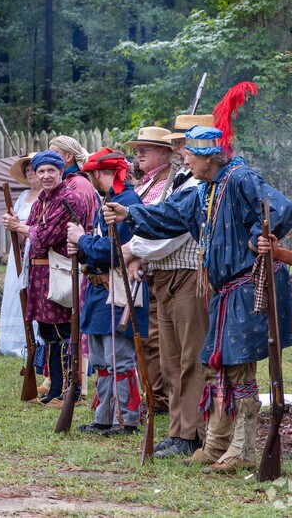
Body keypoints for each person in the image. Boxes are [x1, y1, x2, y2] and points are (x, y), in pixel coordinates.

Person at [103, 89, 292, 473]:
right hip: (225, 291)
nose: (185, 161)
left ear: (208, 158)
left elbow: (284, 209)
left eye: (189, 155)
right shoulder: (204, 190)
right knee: (222, 366)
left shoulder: (241, 178)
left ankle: (241, 451)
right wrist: (128, 212)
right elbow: (165, 217)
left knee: (239, 369)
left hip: (248, 287)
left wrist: (265, 234)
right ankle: (216, 445)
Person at [129, 114, 214, 459]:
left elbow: (172, 233)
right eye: (177, 142)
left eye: (182, 143)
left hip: (188, 275)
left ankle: (190, 433)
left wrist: (132, 248)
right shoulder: (180, 180)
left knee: (190, 359)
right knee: (170, 361)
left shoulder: (197, 186)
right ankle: (178, 429)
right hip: (164, 277)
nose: (178, 148)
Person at [67, 149, 149, 436]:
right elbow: (99, 250)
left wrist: (83, 240)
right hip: (100, 290)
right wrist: (80, 250)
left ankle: (128, 420)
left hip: (118, 289)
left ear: (106, 174)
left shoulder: (127, 203)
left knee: (121, 360)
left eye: (94, 175)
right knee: (103, 361)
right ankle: (104, 418)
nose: (91, 181)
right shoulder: (111, 201)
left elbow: (118, 251)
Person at [3, 151, 84, 405]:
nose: (46, 176)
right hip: (38, 273)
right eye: (41, 171)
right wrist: (18, 227)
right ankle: (52, 389)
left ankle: (67, 391)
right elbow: (32, 238)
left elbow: (46, 237)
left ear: (61, 172)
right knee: (47, 331)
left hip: (58, 272)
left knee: (62, 331)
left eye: (51, 170)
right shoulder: (40, 201)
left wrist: (22, 228)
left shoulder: (69, 199)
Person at [124, 127, 179, 418]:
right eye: (138, 148)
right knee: (146, 336)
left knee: (156, 338)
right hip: (146, 266)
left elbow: (160, 226)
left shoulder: (167, 184)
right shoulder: (148, 184)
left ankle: (161, 398)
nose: (139, 153)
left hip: (159, 267)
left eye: (147, 148)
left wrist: (136, 254)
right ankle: (153, 392)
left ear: (167, 153)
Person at [0, 154, 39, 358]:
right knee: (17, 291)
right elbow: (17, 223)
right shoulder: (24, 196)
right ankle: (16, 341)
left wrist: (21, 228)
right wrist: (11, 223)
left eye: (34, 168)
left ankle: (34, 341)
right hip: (20, 251)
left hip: (38, 250)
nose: (30, 172)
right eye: (27, 169)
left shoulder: (47, 197)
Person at [49, 135, 97, 227]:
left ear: (68, 156)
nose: (49, 159)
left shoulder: (79, 183)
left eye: (54, 154)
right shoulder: (64, 181)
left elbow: (78, 222)